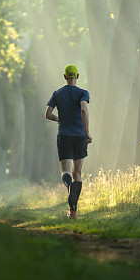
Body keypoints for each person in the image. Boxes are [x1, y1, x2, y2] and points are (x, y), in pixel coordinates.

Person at [45, 64, 92, 218]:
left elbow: (48, 114)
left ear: (65, 77)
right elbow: (84, 109)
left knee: (66, 172)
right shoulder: (83, 93)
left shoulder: (57, 93)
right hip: (79, 136)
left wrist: (60, 119)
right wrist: (87, 133)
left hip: (64, 135)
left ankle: (68, 185)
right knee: (77, 173)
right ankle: (73, 211)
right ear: (77, 76)